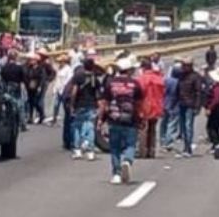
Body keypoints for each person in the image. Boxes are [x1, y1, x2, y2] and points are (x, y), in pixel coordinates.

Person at [101, 56, 144, 185]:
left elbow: (105, 103)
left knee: (114, 148)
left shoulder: (111, 83)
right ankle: (127, 161)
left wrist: (101, 119)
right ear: (129, 70)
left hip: (114, 119)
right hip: (131, 119)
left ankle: (116, 174)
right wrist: (141, 118)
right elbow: (139, 104)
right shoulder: (135, 84)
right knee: (130, 144)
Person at [68, 51, 104, 160]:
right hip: (91, 105)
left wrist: (71, 104)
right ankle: (90, 151)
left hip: (80, 104)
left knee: (77, 127)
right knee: (90, 128)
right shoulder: (94, 78)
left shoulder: (78, 75)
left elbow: (74, 91)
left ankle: (77, 150)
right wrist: (100, 107)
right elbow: (98, 94)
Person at [136, 58, 166, 159]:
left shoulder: (141, 79)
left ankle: (143, 151)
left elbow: (138, 94)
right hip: (157, 106)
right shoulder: (159, 78)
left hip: (144, 106)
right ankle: (151, 150)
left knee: (143, 129)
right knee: (152, 129)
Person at [177, 57, 202, 157]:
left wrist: (197, 106)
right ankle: (185, 147)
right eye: (183, 65)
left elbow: (198, 92)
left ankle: (188, 148)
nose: (184, 67)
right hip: (181, 104)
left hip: (190, 105)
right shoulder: (181, 76)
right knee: (182, 127)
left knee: (188, 127)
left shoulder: (195, 77)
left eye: (186, 65)